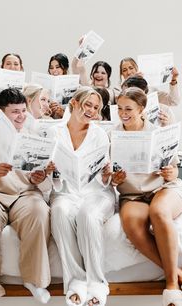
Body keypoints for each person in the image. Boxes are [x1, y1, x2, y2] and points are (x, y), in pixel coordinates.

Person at [0, 88, 55, 306]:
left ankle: (34, 280)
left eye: (24, 110)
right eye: (15, 112)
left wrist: (38, 177)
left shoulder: (34, 138)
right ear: (2, 113)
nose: (22, 116)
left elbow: (43, 185)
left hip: (24, 194)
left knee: (40, 212)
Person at [111, 87, 182, 306]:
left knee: (159, 213)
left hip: (163, 188)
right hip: (132, 195)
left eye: (128, 109)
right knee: (132, 225)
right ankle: (181, 272)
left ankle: (171, 284)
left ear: (141, 109)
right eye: (119, 108)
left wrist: (170, 172)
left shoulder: (159, 132)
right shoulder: (112, 135)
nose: (123, 113)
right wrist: (115, 179)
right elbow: (108, 177)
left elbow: (174, 169)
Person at [50, 87, 115, 306]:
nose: (92, 111)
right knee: (59, 211)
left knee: (88, 215)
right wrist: (51, 171)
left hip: (96, 192)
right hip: (66, 191)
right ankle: (76, 280)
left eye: (96, 108)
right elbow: (50, 178)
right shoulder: (54, 132)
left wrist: (106, 174)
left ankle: (97, 283)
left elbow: (105, 176)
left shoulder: (99, 134)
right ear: (75, 103)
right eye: (88, 104)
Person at [72, 37, 120, 104]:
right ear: (92, 74)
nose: (99, 75)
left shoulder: (112, 92)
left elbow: (94, 95)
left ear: (108, 76)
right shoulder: (85, 85)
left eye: (103, 73)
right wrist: (81, 48)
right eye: (96, 72)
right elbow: (75, 67)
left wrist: (83, 72)